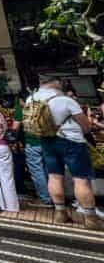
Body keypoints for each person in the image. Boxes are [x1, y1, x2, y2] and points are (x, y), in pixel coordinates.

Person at [26, 76, 103, 229]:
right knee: (81, 179)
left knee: (54, 176)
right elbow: (85, 126)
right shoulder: (64, 100)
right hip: (71, 142)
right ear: (57, 84)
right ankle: (90, 218)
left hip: (47, 141)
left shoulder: (31, 99)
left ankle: (60, 212)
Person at [12, 93, 51, 207]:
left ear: (21, 100)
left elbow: (15, 128)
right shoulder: (44, 106)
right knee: (49, 170)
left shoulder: (22, 109)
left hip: (32, 143)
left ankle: (45, 198)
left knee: (37, 171)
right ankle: (55, 196)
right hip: (48, 142)